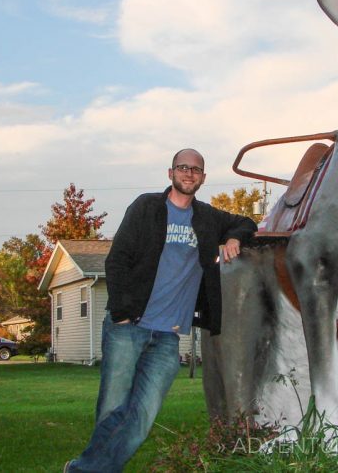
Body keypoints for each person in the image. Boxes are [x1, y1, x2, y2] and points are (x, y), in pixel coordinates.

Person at [64, 148, 257, 473]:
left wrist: (235, 237)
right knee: (113, 410)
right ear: (171, 173)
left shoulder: (208, 218)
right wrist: (123, 313)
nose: (189, 173)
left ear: (203, 178)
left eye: (196, 169)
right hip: (128, 327)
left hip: (169, 338)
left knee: (141, 419)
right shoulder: (146, 207)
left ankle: (83, 469)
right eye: (183, 167)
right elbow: (117, 259)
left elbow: (246, 221)